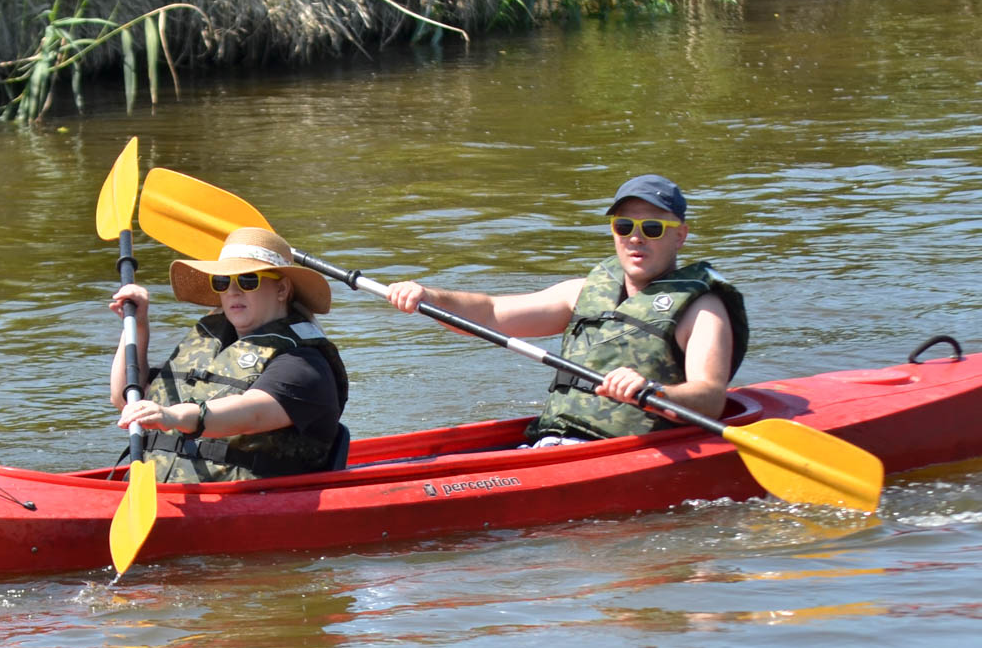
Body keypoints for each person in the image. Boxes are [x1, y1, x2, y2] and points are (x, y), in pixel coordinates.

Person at [384, 174, 747, 444]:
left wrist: (653, 390)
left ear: (680, 236)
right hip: (553, 442)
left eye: (652, 228)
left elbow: (711, 399)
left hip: (626, 451)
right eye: (624, 226)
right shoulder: (580, 293)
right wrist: (429, 296)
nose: (635, 237)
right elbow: (491, 313)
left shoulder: (702, 310)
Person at [112, 226, 349, 482]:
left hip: (253, 496)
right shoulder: (207, 343)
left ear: (282, 289)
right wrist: (137, 326)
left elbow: (252, 414)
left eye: (248, 280)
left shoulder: (303, 363)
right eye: (223, 282)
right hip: (157, 490)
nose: (233, 291)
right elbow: (124, 398)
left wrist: (175, 416)